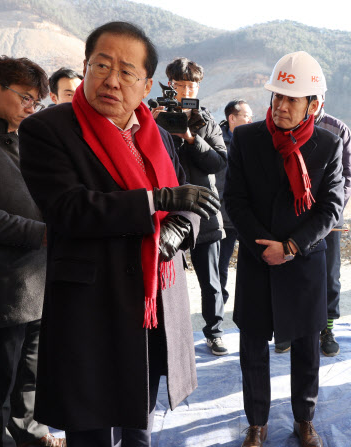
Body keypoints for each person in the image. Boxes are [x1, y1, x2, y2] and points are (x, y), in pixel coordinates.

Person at [18, 22, 220, 446]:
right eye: (101, 65)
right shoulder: (49, 129)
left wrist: (177, 231)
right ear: (86, 66)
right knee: (89, 423)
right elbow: (69, 208)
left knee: (139, 421)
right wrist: (158, 201)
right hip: (91, 304)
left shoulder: (161, 137)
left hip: (153, 302)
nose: (111, 80)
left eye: (126, 71)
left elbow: (195, 204)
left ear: (146, 85)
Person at [224, 51, 343, 447]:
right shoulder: (246, 138)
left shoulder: (328, 144)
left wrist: (291, 245)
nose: (281, 106)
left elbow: (331, 207)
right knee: (253, 346)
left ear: (314, 104)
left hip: (304, 260)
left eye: (292, 99)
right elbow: (235, 200)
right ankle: (256, 423)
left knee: (307, 346)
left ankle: (303, 420)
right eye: (277, 97)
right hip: (259, 260)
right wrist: (265, 248)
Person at [0, 56, 65, 447]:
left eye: (36, 101)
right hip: (6, 284)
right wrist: (42, 234)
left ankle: (31, 433)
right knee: (2, 376)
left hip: (39, 279)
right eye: (25, 97)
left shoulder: (28, 141)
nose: (30, 107)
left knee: (31, 370)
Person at [153, 57, 229, 356]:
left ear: (198, 86)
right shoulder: (151, 115)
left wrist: (189, 136)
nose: (186, 89)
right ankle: (172, 336)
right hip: (167, 212)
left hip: (203, 212)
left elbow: (219, 162)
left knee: (211, 282)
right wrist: (153, 125)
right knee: (169, 281)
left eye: (191, 84)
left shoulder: (206, 120)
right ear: (169, 84)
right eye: (180, 84)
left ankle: (215, 332)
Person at [274, 105, 351, 357]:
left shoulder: (338, 129)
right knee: (287, 272)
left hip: (327, 220)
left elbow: (348, 177)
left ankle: (327, 329)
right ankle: (286, 329)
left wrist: (330, 214)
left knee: (329, 275)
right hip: (291, 218)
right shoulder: (282, 126)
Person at [216, 99, 253, 307]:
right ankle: (219, 310)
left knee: (251, 265)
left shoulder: (254, 140)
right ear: (232, 118)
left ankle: (248, 307)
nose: (250, 119)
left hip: (250, 216)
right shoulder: (217, 141)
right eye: (246, 116)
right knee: (221, 266)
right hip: (225, 216)